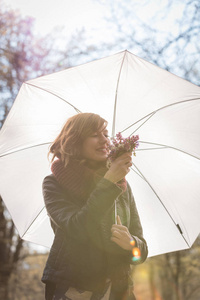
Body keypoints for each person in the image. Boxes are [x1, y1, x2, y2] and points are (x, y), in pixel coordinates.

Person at [41, 112, 148, 300]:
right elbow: (78, 228)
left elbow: (141, 251)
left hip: (118, 289)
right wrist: (108, 182)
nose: (105, 140)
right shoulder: (53, 183)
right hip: (72, 287)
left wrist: (132, 244)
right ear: (75, 140)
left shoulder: (121, 185)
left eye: (106, 134)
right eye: (94, 134)